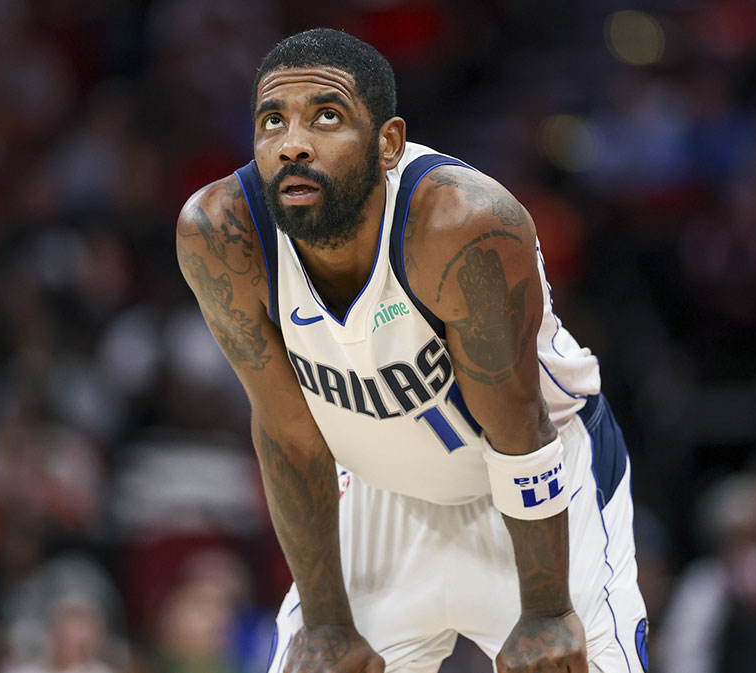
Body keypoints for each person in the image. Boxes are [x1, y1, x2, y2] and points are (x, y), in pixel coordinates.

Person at [176, 28, 647, 673]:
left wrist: (544, 611)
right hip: (377, 496)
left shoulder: (462, 226)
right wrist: (325, 623)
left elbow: (519, 428)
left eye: (327, 117)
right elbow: (288, 437)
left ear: (388, 144)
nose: (292, 144)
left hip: (531, 497)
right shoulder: (221, 235)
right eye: (272, 122)